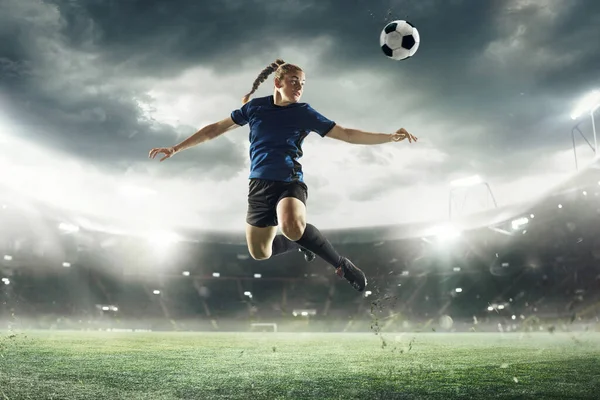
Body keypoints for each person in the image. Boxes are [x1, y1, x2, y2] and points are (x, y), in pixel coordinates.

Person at [149, 59, 417, 292]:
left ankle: (341, 265)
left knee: (291, 225)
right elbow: (214, 129)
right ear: (277, 82)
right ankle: (300, 244)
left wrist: (390, 137)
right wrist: (176, 147)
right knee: (260, 253)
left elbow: (346, 134)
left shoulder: (304, 113)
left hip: (290, 183)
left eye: (302, 83)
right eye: (293, 81)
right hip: (259, 186)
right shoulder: (255, 108)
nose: (299, 86)